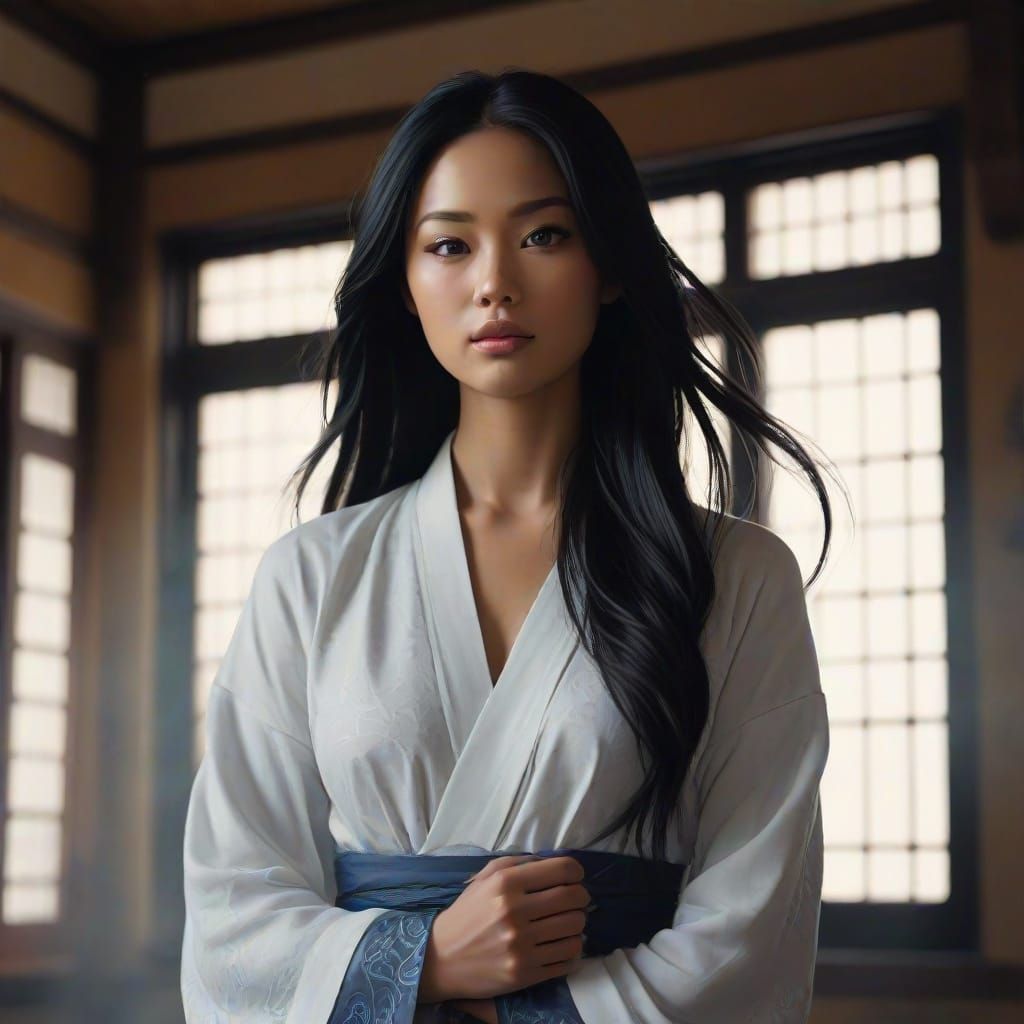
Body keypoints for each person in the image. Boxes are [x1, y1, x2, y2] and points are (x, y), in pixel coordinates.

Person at [180, 67, 837, 1024]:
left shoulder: (737, 577)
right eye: (449, 245)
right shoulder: (311, 576)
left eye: (544, 235)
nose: (494, 283)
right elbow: (231, 906)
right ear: (404, 285)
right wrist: (427, 961)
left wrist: (535, 1008)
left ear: (608, 265)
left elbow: (756, 914)